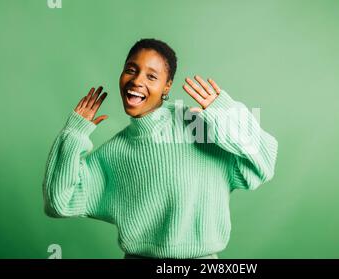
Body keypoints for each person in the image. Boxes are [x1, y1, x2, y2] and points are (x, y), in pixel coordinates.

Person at [42, 38, 278, 259]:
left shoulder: (198, 127)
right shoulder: (115, 152)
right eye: (131, 70)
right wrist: (73, 133)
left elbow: (264, 164)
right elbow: (59, 202)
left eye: (151, 76)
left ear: (167, 87)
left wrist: (225, 114)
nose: (137, 81)